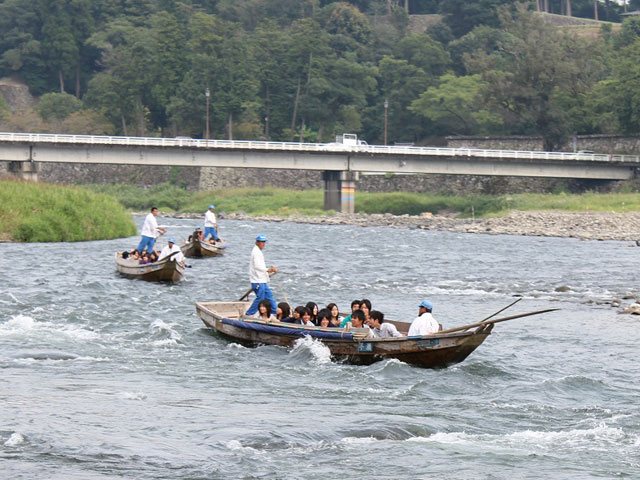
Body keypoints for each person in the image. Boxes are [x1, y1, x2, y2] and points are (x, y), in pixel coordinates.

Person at [245, 234, 278, 316]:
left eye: (264, 242)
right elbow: (257, 266)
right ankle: (248, 314)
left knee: (269, 297)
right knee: (260, 299)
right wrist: (268, 269)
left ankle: (275, 313)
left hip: (262, 280)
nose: (263, 244)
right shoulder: (256, 252)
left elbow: (260, 267)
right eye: (261, 242)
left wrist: (268, 271)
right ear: (257, 242)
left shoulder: (258, 252)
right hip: (257, 281)